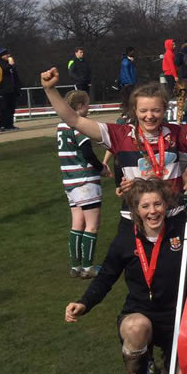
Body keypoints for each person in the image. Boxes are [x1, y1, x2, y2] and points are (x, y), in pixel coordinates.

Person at [63, 178, 187, 374]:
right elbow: (107, 276)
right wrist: (84, 303)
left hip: (179, 316)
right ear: (136, 211)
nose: (152, 211)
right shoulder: (124, 241)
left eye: (157, 204)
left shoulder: (181, 231)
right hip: (140, 313)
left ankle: (170, 366)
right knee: (135, 328)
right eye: (145, 206)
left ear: (166, 205)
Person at [42, 68, 187, 235]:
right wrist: (50, 90)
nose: (149, 116)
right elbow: (74, 119)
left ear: (164, 109)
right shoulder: (119, 134)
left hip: (173, 214)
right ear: (134, 110)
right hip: (135, 217)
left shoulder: (178, 133)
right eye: (143, 110)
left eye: (156, 110)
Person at [57, 89, 110, 279]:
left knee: (77, 223)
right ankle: (88, 267)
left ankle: (75, 265)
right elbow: (87, 152)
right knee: (92, 224)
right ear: (80, 107)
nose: (89, 108)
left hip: (69, 181)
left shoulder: (61, 126)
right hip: (85, 179)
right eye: (87, 104)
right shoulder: (79, 126)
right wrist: (101, 168)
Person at [0, 48, 22, 132]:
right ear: (2, 56)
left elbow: (15, 76)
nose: (8, 56)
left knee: (11, 108)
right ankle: (2, 125)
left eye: (8, 54)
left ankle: (10, 125)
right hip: (3, 90)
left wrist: (18, 88)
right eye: (6, 54)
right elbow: (3, 71)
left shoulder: (11, 64)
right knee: (3, 108)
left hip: (12, 89)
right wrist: (10, 65)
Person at [119, 46, 138, 112]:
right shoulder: (125, 62)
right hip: (128, 83)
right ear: (129, 52)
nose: (134, 52)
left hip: (131, 82)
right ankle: (125, 112)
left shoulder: (131, 61)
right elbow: (126, 73)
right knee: (127, 98)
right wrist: (131, 83)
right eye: (132, 51)